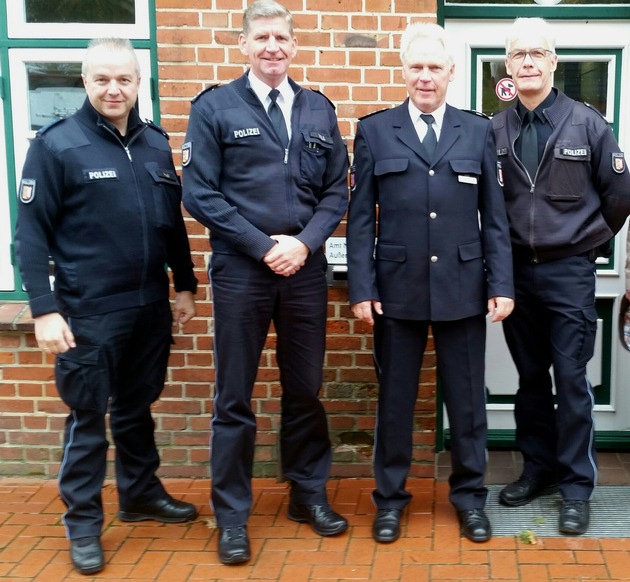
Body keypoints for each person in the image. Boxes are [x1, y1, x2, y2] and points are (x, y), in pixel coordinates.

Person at [14, 38, 199, 575]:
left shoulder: (155, 145)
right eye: (101, 80)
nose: (113, 89)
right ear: (86, 81)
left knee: (137, 409)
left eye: (123, 79)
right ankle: (83, 524)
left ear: (139, 82)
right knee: (88, 418)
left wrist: (183, 285)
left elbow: (171, 227)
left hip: (148, 306)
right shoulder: (57, 146)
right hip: (87, 312)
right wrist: (44, 308)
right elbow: (31, 234)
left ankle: (140, 495)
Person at [181, 0, 349, 565]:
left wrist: (302, 244)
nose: (272, 47)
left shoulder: (318, 110)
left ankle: (306, 494)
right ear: (244, 45)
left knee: (304, 389)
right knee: (234, 399)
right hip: (242, 272)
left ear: (294, 45)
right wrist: (263, 245)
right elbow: (200, 194)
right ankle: (232, 516)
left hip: (303, 271)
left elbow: (335, 193)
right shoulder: (214, 108)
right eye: (262, 38)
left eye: (282, 37)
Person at [346, 22, 514, 544]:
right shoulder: (375, 131)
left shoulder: (478, 130)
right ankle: (390, 501)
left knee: (467, 405)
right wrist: (361, 287)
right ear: (404, 71)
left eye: (434, 68)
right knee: (395, 403)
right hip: (396, 290)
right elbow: (359, 219)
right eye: (415, 67)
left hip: (463, 286)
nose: (425, 77)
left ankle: (469, 500)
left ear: (450, 73)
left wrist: (501, 282)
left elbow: (496, 215)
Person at [491, 17, 630, 535]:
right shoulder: (495, 130)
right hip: (515, 275)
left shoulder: (587, 123)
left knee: (570, 381)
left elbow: (619, 197)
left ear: (553, 62)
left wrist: (586, 243)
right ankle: (538, 470)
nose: (527, 61)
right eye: (518, 54)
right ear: (508, 66)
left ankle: (575, 487)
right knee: (530, 380)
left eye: (537, 53)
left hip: (569, 273)